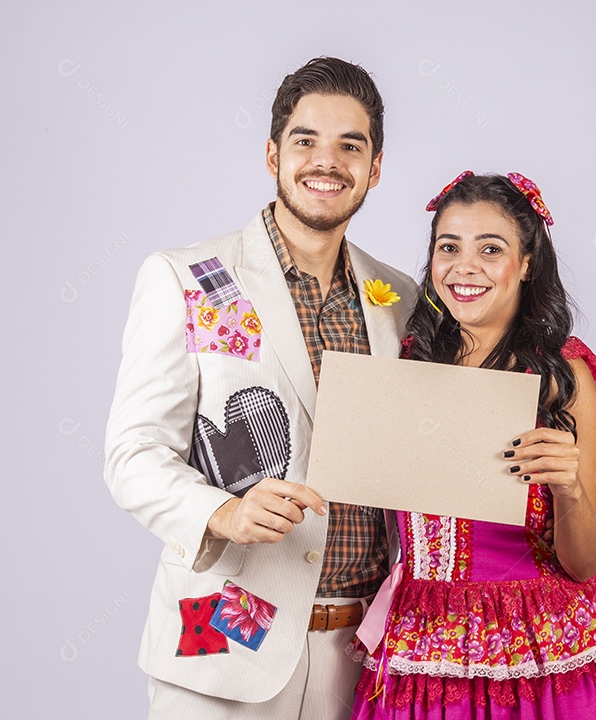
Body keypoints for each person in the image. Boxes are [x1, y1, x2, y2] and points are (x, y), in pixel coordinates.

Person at [103, 57, 416, 720]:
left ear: (376, 167)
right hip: (223, 639)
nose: (324, 162)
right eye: (305, 141)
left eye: (349, 145)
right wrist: (223, 513)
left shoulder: (402, 300)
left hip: (364, 659)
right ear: (272, 153)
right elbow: (131, 455)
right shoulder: (188, 278)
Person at [349, 172, 596, 719]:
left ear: (526, 264)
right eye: (448, 247)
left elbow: (586, 560)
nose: (465, 267)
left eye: (490, 249)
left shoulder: (564, 376)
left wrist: (569, 489)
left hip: (533, 645)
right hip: (417, 644)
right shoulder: (406, 365)